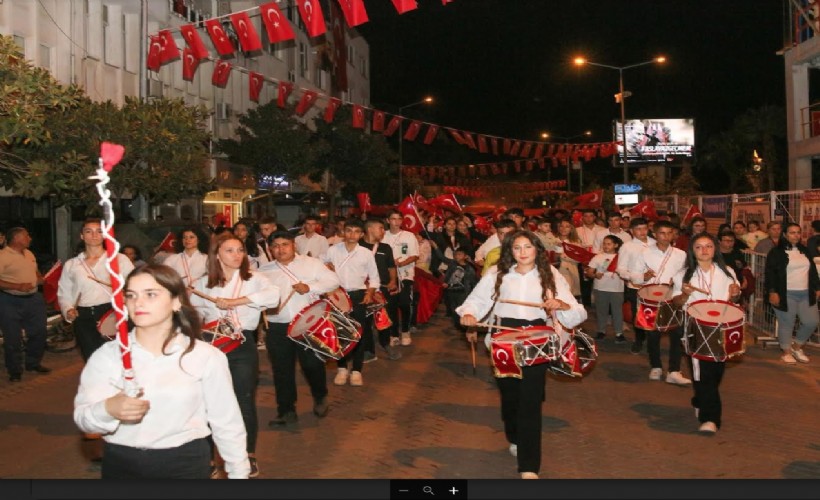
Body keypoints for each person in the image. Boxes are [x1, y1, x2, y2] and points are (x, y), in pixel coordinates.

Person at [73, 264, 250, 478]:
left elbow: (227, 421)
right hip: (121, 462)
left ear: (176, 301)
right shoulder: (109, 355)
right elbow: (83, 417)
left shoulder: (204, 356)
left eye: (151, 294)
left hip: (185, 464)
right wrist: (108, 409)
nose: (138, 302)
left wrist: (238, 472)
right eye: (131, 295)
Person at [457, 230, 587, 480]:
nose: (523, 252)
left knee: (530, 402)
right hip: (504, 338)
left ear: (537, 249)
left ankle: (529, 465)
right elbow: (477, 301)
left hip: (538, 339)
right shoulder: (498, 274)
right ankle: (514, 436)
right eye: (517, 248)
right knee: (510, 398)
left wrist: (561, 305)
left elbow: (576, 311)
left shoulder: (550, 274)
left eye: (528, 246)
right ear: (510, 251)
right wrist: (470, 314)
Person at [190, 232, 279, 478]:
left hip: (241, 346)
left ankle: (247, 455)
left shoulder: (255, 278)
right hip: (210, 347)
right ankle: (207, 458)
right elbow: (192, 315)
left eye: (240, 250)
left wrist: (237, 301)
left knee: (244, 401)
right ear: (216, 254)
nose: (237, 255)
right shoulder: (202, 283)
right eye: (230, 250)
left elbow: (274, 296)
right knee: (206, 403)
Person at [258, 232, 340, 426]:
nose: (281, 249)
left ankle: (320, 396)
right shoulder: (264, 270)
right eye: (276, 246)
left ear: (293, 245)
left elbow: (333, 281)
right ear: (270, 249)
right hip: (277, 325)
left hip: (307, 324)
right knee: (282, 370)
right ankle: (286, 410)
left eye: (285, 244)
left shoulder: (311, 263)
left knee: (312, 364)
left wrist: (309, 287)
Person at [671, 234, 743, 433]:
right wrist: (684, 293)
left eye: (709, 246)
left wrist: (736, 294)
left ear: (715, 249)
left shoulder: (726, 272)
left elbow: (735, 299)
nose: (704, 250)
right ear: (692, 251)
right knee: (704, 375)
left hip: (722, 328)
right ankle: (710, 419)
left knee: (716, 372)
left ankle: (699, 399)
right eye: (699, 247)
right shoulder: (683, 274)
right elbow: (676, 303)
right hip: (695, 330)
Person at [58, 219, 135, 362]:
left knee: (116, 358)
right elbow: (64, 292)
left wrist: (127, 296)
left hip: (111, 313)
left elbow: (135, 283)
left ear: (105, 235)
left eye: (99, 231)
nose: (94, 235)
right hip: (83, 316)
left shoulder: (118, 259)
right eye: (88, 231)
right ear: (82, 236)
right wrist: (68, 309)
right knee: (92, 359)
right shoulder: (72, 264)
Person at [630, 221, 690, 384]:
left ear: (674, 234)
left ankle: (674, 371)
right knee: (653, 334)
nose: (666, 236)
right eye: (662, 233)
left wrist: (677, 282)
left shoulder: (680, 254)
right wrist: (644, 277)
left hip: (673, 299)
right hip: (650, 299)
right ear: (654, 234)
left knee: (676, 334)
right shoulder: (644, 253)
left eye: (669, 233)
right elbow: (633, 276)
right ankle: (655, 366)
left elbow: (685, 276)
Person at [323, 219, 380, 386]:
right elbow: (321, 267)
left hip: (358, 295)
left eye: (356, 231)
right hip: (337, 295)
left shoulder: (366, 253)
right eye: (348, 230)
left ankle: (356, 370)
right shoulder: (333, 250)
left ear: (362, 234)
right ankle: (342, 368)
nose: (352, 234)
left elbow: (375, 278)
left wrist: (370, 293)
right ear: (343, 232)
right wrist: (326, 268)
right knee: (339, 331)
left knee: (359, 333)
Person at [764, 223, 819, 364]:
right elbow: (770, 274)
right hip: (785, 293)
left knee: (811, 321)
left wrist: (817, 288)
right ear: (785, 234)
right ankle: (786, 352)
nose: (796, 235)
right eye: (792, 232)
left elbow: (812, 271)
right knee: (786, 323)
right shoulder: (776, 252)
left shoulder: (805, 250)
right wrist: (772, 292)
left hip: (805, 293)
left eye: (798, 232)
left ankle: (796, 347)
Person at [0, 227, 49, 382]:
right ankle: (15, 370)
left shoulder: (29, 254)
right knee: (12, 338)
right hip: (10, 300)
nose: (30, 238)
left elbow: (34, 271)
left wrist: (40, 278)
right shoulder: (3, 256)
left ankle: (33, 363)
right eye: (26, 236)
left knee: (39, 333)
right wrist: (17, 286)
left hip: (33, 299)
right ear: (16, 238)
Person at [359, 218, 400, 360]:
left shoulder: (385, 248)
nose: (383, 231)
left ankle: (386, 344)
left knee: (384, 318)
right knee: (365, 320)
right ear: (370, 229)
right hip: (363, 289)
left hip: (382, 288)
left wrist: (393, 280)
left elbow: (391, 267)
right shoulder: (358, 246)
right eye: (380, 228)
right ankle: (369, 350)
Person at [617, 217, 656, 350]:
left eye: (644, 228)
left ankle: (652, 341)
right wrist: (639, 277)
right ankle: (639, 339)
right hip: (636, 287)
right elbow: (621, 269)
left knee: (653, 314)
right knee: (637, 315)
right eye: (638, 229)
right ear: (632, 231)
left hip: (654, 287)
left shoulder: (655, 243)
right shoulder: (627, 247)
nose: (642, 232)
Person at [383, 210, 420, 347]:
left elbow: (415, 255)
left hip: (405, 275)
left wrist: (400, 263)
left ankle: (405, 331)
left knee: (404, 303)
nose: (396, 222)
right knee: (390, 305)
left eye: (399, 219)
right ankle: (393, 334)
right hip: (388, 277)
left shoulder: (409, 236)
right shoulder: (383, 236)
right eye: (393, 219)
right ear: (388, 220)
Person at [585, 235, 624, 341]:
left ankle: (619, 333)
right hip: (600, 288)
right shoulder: (598, 257)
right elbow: (589, 272)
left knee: (617, 312)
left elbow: (627, 272)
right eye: (604, 243)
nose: (606, 246)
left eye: (609, 244)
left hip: (617, 289)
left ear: (615, 245)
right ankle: (601, 331)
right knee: (601, 311)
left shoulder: (621, 257)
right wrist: (594, 275)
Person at [554, 220, 582, 300]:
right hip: (554, 271)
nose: (564, 228)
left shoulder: (575, 243)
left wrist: (562, 255)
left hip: (569, 272)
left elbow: (578, 259)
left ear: (571, 229)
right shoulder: (553, 240)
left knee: (567, 296)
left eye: (567, 226)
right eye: (561, 226)